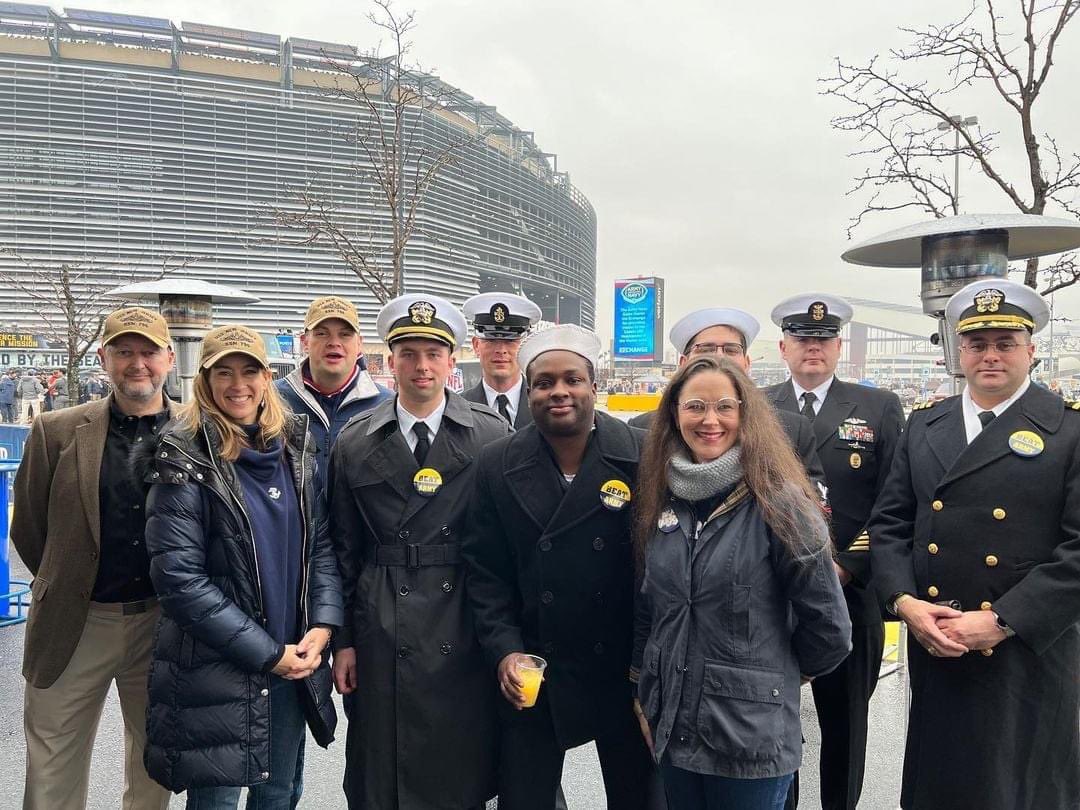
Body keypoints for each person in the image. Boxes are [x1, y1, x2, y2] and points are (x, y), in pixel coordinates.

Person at [869, 278, 1080, 810]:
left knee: (1020, 787)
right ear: (958, 351)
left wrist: (1002, 620)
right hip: (939, 640)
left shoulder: (1068, 431)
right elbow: (889, 526)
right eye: (977, 344)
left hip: (1029, 649)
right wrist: (905, 603)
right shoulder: (923, 427)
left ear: (1031, 351)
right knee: (942, 785)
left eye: (1005, 344)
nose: (990, 356)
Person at [633, 354, 852, 810]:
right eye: (695, 406)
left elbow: (830, 630)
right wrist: (645, 691)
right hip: (673, 725)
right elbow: (651, 607)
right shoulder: (662, 498)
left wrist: (774, 677)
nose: (710, 420)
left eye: (724, 407)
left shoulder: (781, 503)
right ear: (674, 414)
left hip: (749, 737)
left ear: (745, 415)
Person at [141, 324, 342, 806]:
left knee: (277, 796)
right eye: (223, 372)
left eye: (249, 370)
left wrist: (324, 624)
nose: (238, 384)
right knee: (219, 799)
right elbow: (180, 581)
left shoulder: (296, 447)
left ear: (266, 377)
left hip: (294, 659)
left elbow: (320, 547)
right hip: (222, 668)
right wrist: (266, 652)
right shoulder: (184, 454)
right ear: (204, 381)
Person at [463, 324, 659, 810]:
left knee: (640, 798)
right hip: (536, 661)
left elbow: (660, 573)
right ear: (529, 392)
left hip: (624, 666)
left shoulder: (642, 457)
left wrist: (649, 665)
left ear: (595, 385)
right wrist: (506, 651)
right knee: (525, 798)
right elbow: (486, 575)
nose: (559, 392)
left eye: (572, 379)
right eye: (544, 382)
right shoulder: (496, 464)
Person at [329, 294, 510, 809]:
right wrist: (343, 641)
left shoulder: (491, 436)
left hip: (463, 619)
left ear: (453, 361)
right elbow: (343, 549)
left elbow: (505, 550)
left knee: (458, 767)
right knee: (380, 769)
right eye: (408, 352)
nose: (422, 365)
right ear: (390, 362)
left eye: (434, 352)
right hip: (382, 619)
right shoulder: (355, 441)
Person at [11, 307, 178, 810]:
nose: (137, 363)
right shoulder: (56, 431)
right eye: (124, 351)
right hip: (75, 621)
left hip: (162, 624)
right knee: (51, 766)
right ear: (103, 358)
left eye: (148, 351)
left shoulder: (200, 433)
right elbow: (30, 529)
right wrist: (69, 580)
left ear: (168, 359)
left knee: (154, 765)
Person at [765, 294, 904, 810]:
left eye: (823, 339)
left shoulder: (878, 407)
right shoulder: (758, 406)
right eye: (803, 339)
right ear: (784, 347)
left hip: (852, 589)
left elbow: (895, 498)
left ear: (839, 345)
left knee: (845, 726)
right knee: (777, 724)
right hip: (775, 593)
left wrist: (846, 567)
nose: (813, 348)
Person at [629, 308, 825, 488]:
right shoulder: (644, 430)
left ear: (747, 363)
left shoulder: (790, 430)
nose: (720, 357)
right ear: (683, 363)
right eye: (706, 349)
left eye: (731, 350)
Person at [276, 295, 391, 492]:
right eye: (322, 333)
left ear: (359, 344)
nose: (334, 342)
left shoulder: (387, 406)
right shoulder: (273, 400)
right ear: (305, 342)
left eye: (345, 334)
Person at [461, 292, 543, 429]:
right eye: (491, 340)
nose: (501, 350)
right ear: (476, 345)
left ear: (525, 346)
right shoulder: (458, 408)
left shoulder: (545, 404)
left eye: (510, 340)